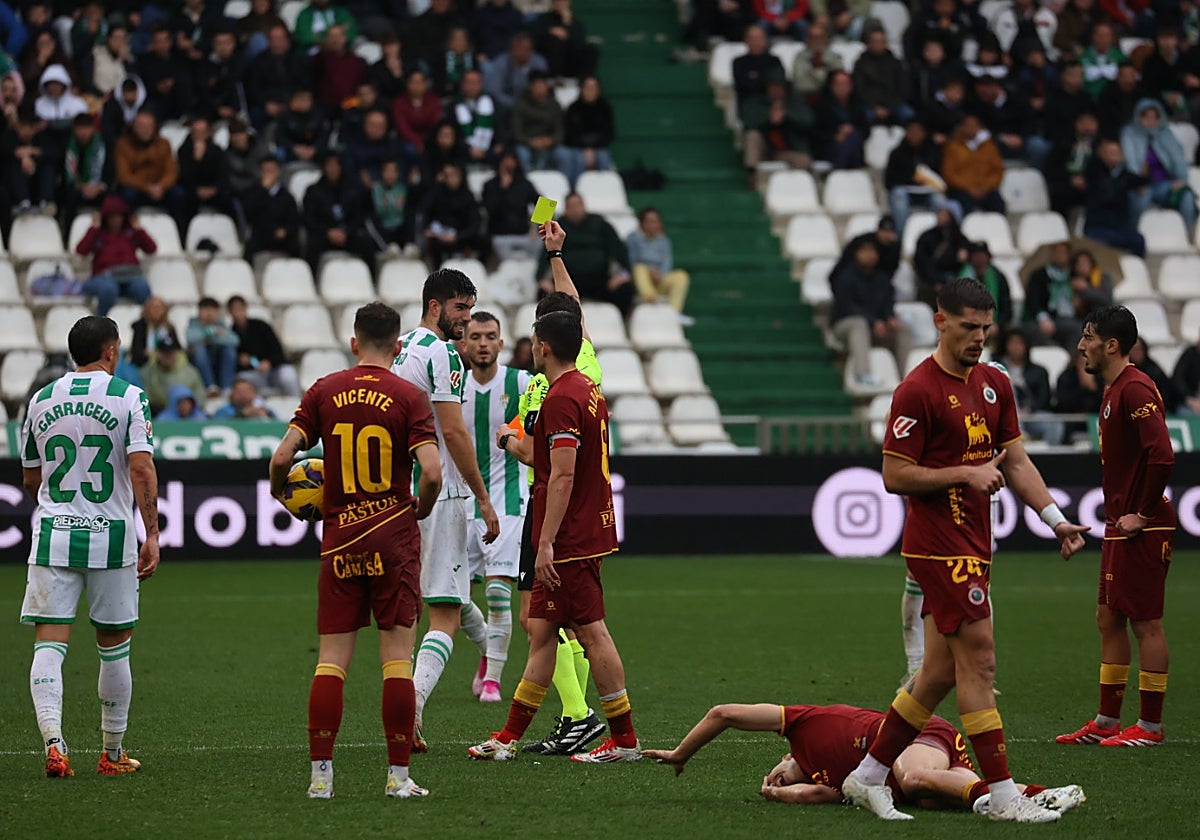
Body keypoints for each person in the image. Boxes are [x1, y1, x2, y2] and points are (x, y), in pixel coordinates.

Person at [839, 277, 1089, 823]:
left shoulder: (995, 383)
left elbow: (1016, 462)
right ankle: (1003, 799)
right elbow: (893, 474)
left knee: (937, 673)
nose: (979, 337)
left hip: (975, 543)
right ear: (940, 322)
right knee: (980, 660)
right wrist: (964, 474)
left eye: (986, 327)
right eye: (969, 327)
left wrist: (1055, 519)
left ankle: (866, 776)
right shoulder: (917, 390)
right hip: (938, 547)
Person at [269, 300, 440, 800]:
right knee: (396, 660)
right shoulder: (409, 396)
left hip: (340, 536)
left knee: (331, 660)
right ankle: (398, 778)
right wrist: (420, 509)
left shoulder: (324, 391)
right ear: (399, 346)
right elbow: (431, 471)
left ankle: (321, 778)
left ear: (353, 342)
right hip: (394, 535)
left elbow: (282, 457)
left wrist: (285, 496)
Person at [468, 307, 639, 764]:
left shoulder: (562, 397)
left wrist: (545, 543)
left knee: (591, 632)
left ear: (543, 346)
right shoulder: (585, 389)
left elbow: (561, 476)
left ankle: (624, 741)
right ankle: (507, 738)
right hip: (573, 528)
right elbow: (545, 460)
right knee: (541, 631)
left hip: (568, 536)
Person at [19, 315, 160, 779]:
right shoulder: (128, 397)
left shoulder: (39, 400)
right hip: (111, 538)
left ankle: (54, 744)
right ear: (112, 350)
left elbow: (31, 478)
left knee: (49, 642)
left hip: (54, 534)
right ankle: (112, 753)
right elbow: (141, 470)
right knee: (114, 647)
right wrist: (152, 532)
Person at [499, 221, 606, 756]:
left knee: (551, 621)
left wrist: (556, 254)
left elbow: (575, 309)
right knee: (545, 621)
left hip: (559, 513)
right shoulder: (534, 388)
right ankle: (577, 717)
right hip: (540, 505)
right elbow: (529, 449)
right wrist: (513, 440)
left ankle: (579, 715)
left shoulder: (577, 369)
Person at [391, 269, 501, 752]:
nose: (468, 318)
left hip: (398, 490)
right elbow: (454, 433)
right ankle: (411, 708)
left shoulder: (401, 348)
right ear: (435, 306)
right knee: (444, 612)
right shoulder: (441, 354)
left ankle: (489, 649)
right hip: (440, 491)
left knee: (444, 595)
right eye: (461, 308)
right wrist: (482, 496)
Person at [1058, 306, 1175, 748]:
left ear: (1110, 344)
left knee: (1146, 623)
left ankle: (1150, 726)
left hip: (1144, 526)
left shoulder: (1135, 388)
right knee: (1109, 618)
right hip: (1121, 523)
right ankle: (1107, 721)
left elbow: (1162, 455)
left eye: (1087, 336)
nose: (1080, 345)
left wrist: (1143, 514)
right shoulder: (1113, 390)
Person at [643, 701, 1085, 815]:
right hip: (920, 764)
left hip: (920, 734)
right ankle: (1036, 796)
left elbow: (722, 713)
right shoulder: (829, 782)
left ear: (783, 755)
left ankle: (1028, 798)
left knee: (912, 780)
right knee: (929, 797)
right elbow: (815, 795)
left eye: (778, 776)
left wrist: (683, 753)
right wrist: (778, 797)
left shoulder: (800, 723)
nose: (780, 779)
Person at [460, 311, 532, 704]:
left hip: (508, 503)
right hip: (460, 502)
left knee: (499, 596)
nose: (484, 343)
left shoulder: (520, 383)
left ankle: (493, 679)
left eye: (490, 336)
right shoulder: (452, 387)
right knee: (452, 598)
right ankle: (490, 647)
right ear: (465, 343)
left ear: (501, 344)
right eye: (476, 336)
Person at [830, 239, 912, 388]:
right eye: (865, 251)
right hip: (846, 326)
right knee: (859, 324)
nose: (870, 255)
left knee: (903, 328)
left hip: (878, 328)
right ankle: (862, 374)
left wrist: (889, 318)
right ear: (856, 254)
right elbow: (847, 307)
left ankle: (907, 377)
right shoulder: (845, 277)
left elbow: (888, 302)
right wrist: (872, 321)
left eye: (873, 251)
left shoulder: (882, 278)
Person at [540, 193, 633, 316]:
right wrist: (541, 278)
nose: (575, 210)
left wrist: (624, 274)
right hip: (568, 281)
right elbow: (546, 251)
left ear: (584, 206)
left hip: (600, 281)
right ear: (566, 209)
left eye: (578, 205)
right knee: (544, 293)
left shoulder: (599, 223)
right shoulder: (558, 226)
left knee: (625, 289)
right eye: (571, 206)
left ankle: (622, 323)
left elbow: (619, 249)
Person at [1121, 99, 1197, 233]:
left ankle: (1188, 235)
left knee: (1187, 197)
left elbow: (1178, 159)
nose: (1151, 121)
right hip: (1139, 184)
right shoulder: (1129, 133)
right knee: (1141, 198)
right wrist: (1139, 180)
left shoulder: (1165, 134)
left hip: (1165, 184)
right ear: (1139, 117)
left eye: (1154, 117)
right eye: (1146, 116)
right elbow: (1130, 162)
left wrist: (1181, 181)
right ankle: (1135, 235)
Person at [76, 195, 156, 318]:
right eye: (112, 217)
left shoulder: (131, 233)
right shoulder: (98, 233)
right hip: (103, 277)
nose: (116, 220)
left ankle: (146, 324)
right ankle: (102, 322)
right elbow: (81, 251)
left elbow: (151, 249)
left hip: (130, 276)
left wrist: (139, 230)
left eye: (119, 216)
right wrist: (94, 229)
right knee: (108, 289)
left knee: (142, 287)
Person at [114, 111, 185, 233]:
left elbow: (171, 172)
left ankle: (181, 235)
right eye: (141, 127)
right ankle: (127, 234)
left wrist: (161, 186)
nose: (145, 130)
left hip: (160, 188)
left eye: (148, 127)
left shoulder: (164, 143)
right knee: (127, 194)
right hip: (138, 188)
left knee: (178, 194)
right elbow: (123, 176)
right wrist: (147, 187)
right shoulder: (123, 144)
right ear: (134, 127)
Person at [1082, 137, 1147, 257]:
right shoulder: (1093, 170)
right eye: (1110, 153)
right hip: (1098, 227)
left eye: (1116, 153)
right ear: (1102, 154)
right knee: (1098, 245)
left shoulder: (1123, 174)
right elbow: (1107, 192)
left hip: (1120, 227)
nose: (1114, 156)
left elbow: (1142, 180)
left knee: (1138, 241)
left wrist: (1145, 177)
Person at [741, 76, 814, 178]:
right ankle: (752, 175)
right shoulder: (757, 103)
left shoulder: (795, 102)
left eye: (779, 87)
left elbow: (808, 122)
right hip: (765, 149)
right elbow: (748, 123)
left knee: (804, 160)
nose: (776, 91)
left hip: (788, 150)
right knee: (752, 135)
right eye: (772, 87)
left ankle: (790, 185)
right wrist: (768, 117)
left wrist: (786, 117)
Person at [627, 207, 692, 320]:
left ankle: (673, 313)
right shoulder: (632, 239)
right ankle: (651, 299)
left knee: (681, 276)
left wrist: (660, 274)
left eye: (656, 221)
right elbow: (631, 261)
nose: (654, 225)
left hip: (659, 278)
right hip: (641, 280)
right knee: (639, 268)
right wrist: (649, 272)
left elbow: (667, 262)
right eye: (650, 221)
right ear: (642, 224)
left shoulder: (664, 241)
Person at [228, 295, 300, 396]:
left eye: (240, 308)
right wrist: (242, 361)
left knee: (288, 375)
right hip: (254, 373)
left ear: (245, 308)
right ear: (230, 312)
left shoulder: (261, 326)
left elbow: (278, 351)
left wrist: (269, 362)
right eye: (234, 309)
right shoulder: (230, 333)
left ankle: (298, 404)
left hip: (275, 369)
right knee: (242, 381)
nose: (238, 312)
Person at [419, 162, 486, 264]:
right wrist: (429, 230)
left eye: (454, 175)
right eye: (448, 176)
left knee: (484, 241)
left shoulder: (468, 196)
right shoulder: (437, 193)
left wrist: (458, 236)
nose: (451, 179)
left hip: (461, 236)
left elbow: (475, 223)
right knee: (432, 245)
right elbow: (425, 211)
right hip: (440, 236)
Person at [885, 119, 943, 234]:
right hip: (906, 191)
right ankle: (901, 236)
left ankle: (938, 234)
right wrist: (911, 180)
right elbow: (888, 181)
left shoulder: (932, 152)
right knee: (898, 196)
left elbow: (939, 175)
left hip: (927, 192)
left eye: (918, 132)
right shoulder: (897, 153)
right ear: (906, 133)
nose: (915, 135)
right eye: (912, 131)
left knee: (939, 199)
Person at [941, 112, 1005, 215]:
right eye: (968, 125)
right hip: (962, 190)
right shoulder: (953, 147)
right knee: (964, 204)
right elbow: (949, 174)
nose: (971, 128)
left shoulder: (989, 146)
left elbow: (998, 170)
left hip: (985, 189)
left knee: (998, 204)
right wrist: (969, 188)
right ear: (961, 127)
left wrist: (985, 187)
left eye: (974, 125)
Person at [511, 71, 571, 179]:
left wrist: (551, 140)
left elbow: (560, 131)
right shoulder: (520, 105)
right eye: (537, 86)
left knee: (564, 154)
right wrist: (530, 141)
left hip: (549, 144)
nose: (540, 90)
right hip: (527, 144)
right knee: (521, 153)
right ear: (530, 87)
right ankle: (528, 186)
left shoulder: (555, 105)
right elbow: (516, 132)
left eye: (542, 86)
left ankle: (566, 188)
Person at [241, 156, 302, 259]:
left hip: (282, 237)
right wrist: (263, 191)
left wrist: (285, 230)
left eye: (271, 171)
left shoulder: (286, 196)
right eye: (265, 171)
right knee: (249, 248)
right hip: (261, 235)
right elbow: (249, 214)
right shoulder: (253, 192)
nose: (268, 174)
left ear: (278, 172)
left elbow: (294, 220)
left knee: (295, 245)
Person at [853, 24, 912, 127]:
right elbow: (859, 89)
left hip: (893, 104)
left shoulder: (895, 63)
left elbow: (902, 88)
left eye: (882, 42)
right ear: (868, 43)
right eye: (875, 42)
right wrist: (875, 107)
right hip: (870, 105)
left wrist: (890, 107)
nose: (879, 45)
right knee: (864, 117)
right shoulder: (861, 64)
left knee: (909, 116)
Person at [564, 76, 615, 185]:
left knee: (603, 157)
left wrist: (592, 148)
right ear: (581, 89)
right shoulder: (573, 108)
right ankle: (574, 190)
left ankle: (604, 189)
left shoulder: (605, 108)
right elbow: (570, 135)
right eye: (588, 87)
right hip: (577, 147)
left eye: (594, 88)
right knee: (577, 158)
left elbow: (608, 134)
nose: (591, 91)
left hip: (598, 146)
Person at [139, 332, 206, 415]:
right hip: (157, 414)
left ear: (177, 353)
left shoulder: (191, 372)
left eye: (171, 353)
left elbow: (200, 396)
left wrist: (189, 406)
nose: (168, 356)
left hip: (187, 415)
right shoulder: (147, 373)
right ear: (158, 353)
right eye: (164, 353)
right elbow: (143, 397)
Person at [913, 202, 966, 306]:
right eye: (939, 213)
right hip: (931, 282)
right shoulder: (927, 237)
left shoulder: (959, 239)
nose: (940, 217)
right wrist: (935, 281)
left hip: (954, 281)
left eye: (945, 214)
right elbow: (923, 262)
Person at [61, 113, 107, 232]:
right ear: (74, 130)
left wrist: (98, 187)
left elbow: (110, 172)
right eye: (80, 129)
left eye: (87, 128)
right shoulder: (68, 145)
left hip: (98, 187)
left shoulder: (103, 143)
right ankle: (68, 234)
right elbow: (67, 174)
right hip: (77, 187)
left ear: (93, 129)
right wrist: (82, 187)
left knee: (111, 199)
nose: (84, 133)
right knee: (70, 197)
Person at [484, 32, 549, 114]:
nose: (523, 52)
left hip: (535, 106)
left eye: (526, 49)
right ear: (511, 50)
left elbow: (543, 89)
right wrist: (517, 105)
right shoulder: (501, 63)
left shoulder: (539, 63)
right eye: (519, 49)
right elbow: (495, 92)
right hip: (509, 107)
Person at [186, 297, 239, 397]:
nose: (209, 314)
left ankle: (226, 387)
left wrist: (211, 337)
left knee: (229, 350)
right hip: (198, 365)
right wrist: (212, 332)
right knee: (199, 349)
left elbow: (235, 341)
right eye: (205, 310)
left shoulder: (221, 324)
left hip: (217, 364)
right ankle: (210, 386)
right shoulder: (193, 323)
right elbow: (191, 339)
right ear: (199, 311)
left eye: (212, 310)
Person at [533, 0, 598, 80]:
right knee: (555, 42)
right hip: (551, 61)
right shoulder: (544, 19)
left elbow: (579, 43)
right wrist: (550, 31)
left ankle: (585, 81)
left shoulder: (576, 24)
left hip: (571, 61)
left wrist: (567, 24)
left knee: (590, 49)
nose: (560, 3)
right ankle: (555, 79)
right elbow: (535, 37)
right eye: (557, 1)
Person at [732, 25, 785, 124]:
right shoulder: (739, 62)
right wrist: (766, 81)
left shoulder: (774, 61)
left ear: (765, 40)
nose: (756, 42)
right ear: (746, 41)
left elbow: (779, 84)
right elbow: (745, 86)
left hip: (775, 108)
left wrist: (756, 78)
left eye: (759, 38)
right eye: (752, 39)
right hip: (751, 109)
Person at [957, 242, 1013, 335]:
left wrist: (998, 323)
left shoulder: (997, 276)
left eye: (982, 255)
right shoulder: (961, 277)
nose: (979, 258)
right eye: (976, 255)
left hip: (995, 326)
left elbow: (1006, 304)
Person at [129, 296, 179, 368]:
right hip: (143, 365)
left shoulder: (169, 328)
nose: (157, 311)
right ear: (147, 310)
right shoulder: (140, 326)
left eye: (160, 308)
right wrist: (152, 355)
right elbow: (136, 352)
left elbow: (177, 348)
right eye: (154, 308)